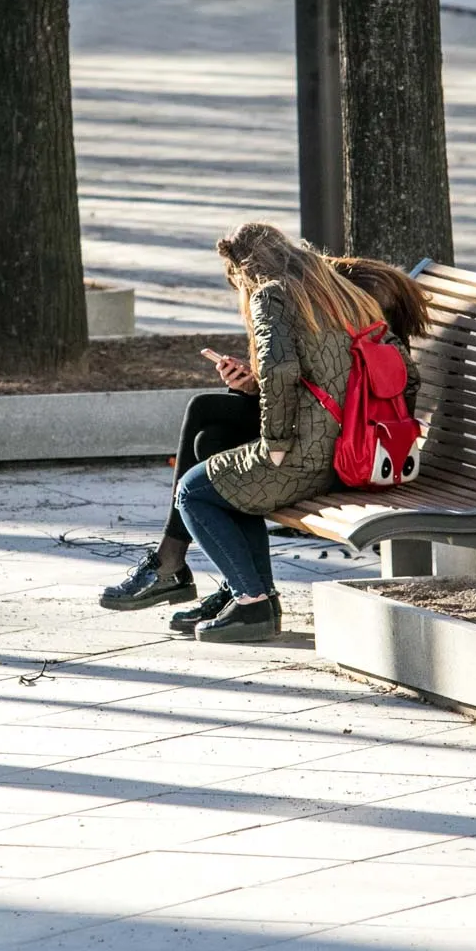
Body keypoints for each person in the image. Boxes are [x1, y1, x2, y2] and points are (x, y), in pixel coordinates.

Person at [101, 226, 420, 643]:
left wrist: (275, 445)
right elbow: (394, 373)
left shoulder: (271, 294)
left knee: (193, 492)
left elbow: (281, 371)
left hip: (323, 458)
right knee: (211, 436)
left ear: (243, 270)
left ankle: (249, 601)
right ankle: (244, 591)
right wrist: (252, 387)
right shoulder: (342, 290)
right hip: (363, 450)